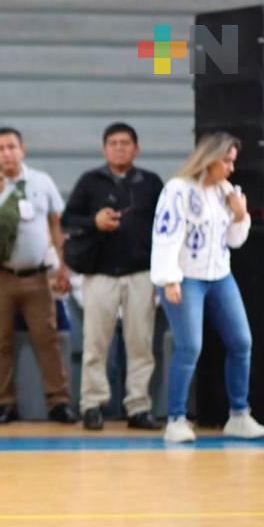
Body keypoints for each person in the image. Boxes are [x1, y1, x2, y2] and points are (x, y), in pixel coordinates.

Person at [151, 132, 264, 443]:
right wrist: (169, 279)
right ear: (209, 159)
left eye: (233, 161)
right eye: (227, 161)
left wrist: (240, 215)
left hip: (220, 275)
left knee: (241, 342)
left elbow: (233, 241)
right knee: (189, 346)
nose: (232, 168)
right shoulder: (177, 190)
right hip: (184, 277)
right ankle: (175, 419)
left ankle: (239, 415)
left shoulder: (225, 190)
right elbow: (166, 235)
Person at [0, 127, 76, 425]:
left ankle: (59, 402)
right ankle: (4, 404)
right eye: (0, 148)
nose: (7, 153)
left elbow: (55, 224)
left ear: (22, 150)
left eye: (12, 147)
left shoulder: (41, 181)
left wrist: (63, 266)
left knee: (47, 339)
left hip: (38, 277)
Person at [61, 123, 164, 432]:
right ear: (104, 149)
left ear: (137, 149)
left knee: (141, 343)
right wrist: (94, 221)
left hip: (141, 274)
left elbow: (166, 225)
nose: (119, 148)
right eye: (114, 143)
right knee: (95, 344)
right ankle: (92, 405)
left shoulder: (151, 183)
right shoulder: (90, 182)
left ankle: (139, 406)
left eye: (125, 143)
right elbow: (68, 221)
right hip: (100, 275)